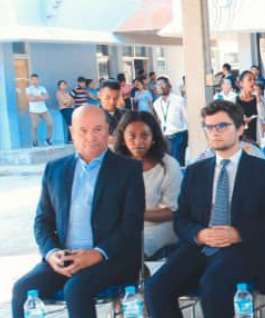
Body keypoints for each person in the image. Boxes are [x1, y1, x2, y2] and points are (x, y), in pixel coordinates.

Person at [145, 100, 265, 318]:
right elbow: (181, 219)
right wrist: (199, 234)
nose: (215, 132)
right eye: (209, 127)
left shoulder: (263, 170)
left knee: (212, 285)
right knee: (155, 288)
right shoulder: (196, 172)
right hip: (201, 247)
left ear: (240, 128)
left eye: (222, 126)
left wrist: (238, 233)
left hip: (244, 249)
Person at [10, 106, 144, 318]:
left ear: (108, 130)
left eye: (98, 129)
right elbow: (42, 222)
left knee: (76, 289)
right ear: (72, 132)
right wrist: (51, 253)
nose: (91, 137)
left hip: (110, 258)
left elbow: (131, 225)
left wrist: (97, 254)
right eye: (83, 130)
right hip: (65, 257)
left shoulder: (127, 170)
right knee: (22, 289)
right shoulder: (55, 170)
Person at [113, 111, 182, 257]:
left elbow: (172, 212)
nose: (138, 142)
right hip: (121, 227)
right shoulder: (113, 165)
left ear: (154, 138)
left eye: (145, 136)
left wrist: (135, 214)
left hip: (159, 227)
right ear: (123, 138)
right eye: (132, 136)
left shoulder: (168, 166)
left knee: (132, 249)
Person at [153, 78, 189, 165]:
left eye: (162, 84)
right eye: (158, 85)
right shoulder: (156, 104)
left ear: (169, 86)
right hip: (166, 137)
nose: (160, 87)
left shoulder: (179, 100)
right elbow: (160, 121)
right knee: (168, 164)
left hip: (179, 135)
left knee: (178, 163)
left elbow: (187, 118)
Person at [26, 74, 55, 147]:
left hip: (44, 109)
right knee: (35, 126)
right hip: (33, 110)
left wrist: (35, 97)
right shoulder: (29, 89)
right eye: (33, 79)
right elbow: (28, 99)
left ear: (38, 80)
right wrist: (40, 97)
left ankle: (48, 139)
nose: (35, 81)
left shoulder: (42, 88)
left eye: (36, 79)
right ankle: (34, 141)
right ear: (31, 80)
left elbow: (47, 97)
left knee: (50, 124)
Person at [234, 70, 263, 144]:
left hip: (256, 135)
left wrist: (258, 97)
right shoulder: (234, 100)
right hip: (241, 136)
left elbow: (263, 115)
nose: (253, 82)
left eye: (254, 80)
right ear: (241, 83)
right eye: (249, 79)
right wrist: (241, 120)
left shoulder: (258, 98)